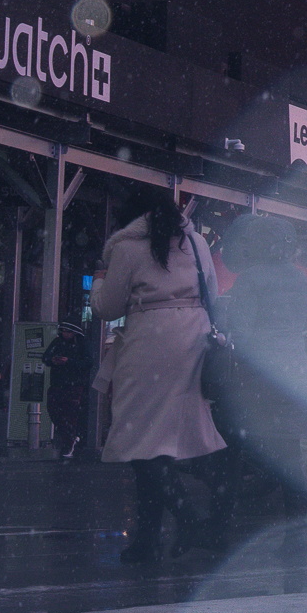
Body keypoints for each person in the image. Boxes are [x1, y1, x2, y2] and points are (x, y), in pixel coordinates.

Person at [92, 191, 228, 562]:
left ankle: (183, 520)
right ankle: (153, 537)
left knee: (142, 443)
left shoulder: (127, 249)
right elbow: (212, 295)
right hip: (193, 341)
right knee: (167, 442)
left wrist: (100, 279)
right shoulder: (198, 243)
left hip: (149, 344)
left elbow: (107, 307)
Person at [45, 321, 97, 462]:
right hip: (57, 383)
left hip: (74, 385)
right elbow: (45, 357)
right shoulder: (57, 342)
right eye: (62, 331)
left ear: (74, 332)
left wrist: (69, 362)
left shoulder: (82, 344)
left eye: (67, 331)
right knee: (54, 411)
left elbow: (88, 362)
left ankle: (69, 443)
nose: (64, 334)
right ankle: (69, 438)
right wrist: (53, 360)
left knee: (70, 414)